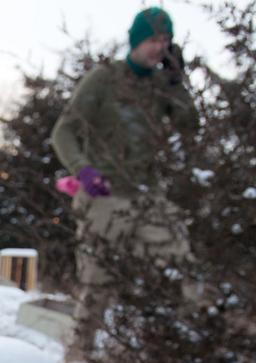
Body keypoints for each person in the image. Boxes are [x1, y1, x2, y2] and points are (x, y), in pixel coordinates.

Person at [51, 6, 199, 345]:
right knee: (97, 279)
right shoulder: (104, 79)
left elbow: (189, 126)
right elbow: (63, 131)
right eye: (152, 39)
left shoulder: (162, 85)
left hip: (147, 194)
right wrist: (83, 171)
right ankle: (79, 353)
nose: (158, 47)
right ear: (135, 40)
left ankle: (190, 352)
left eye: (165, 40)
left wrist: (177, 82)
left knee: (182, 263)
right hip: (103, 194)